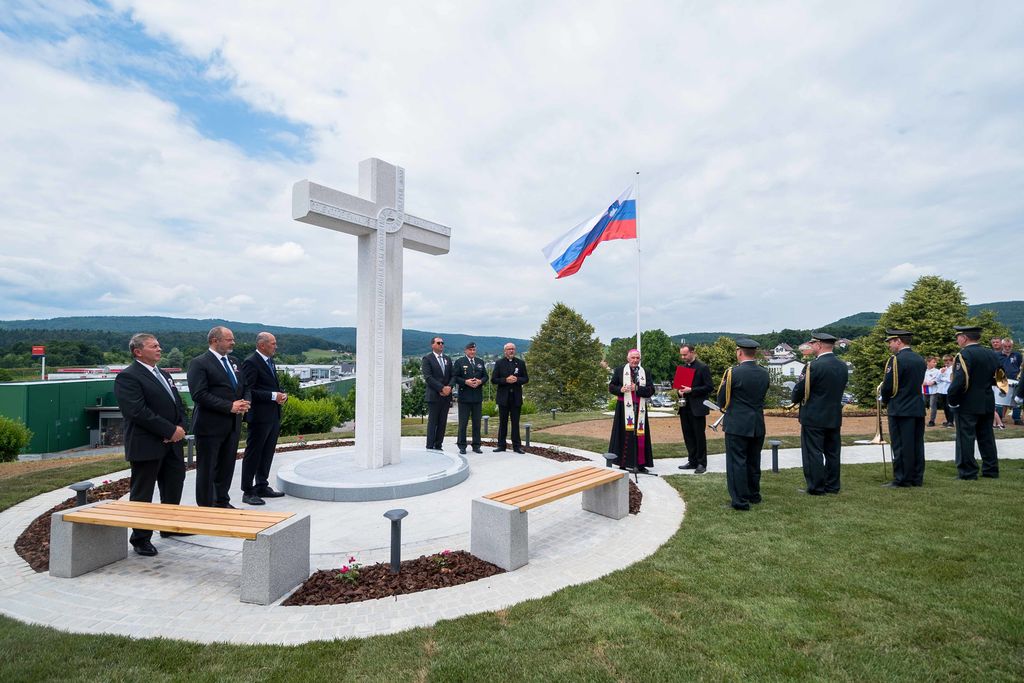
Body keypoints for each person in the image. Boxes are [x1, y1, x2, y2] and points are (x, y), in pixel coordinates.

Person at [113, 333, 188, 556]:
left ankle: (168, 526)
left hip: (172, 445)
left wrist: (180, 428)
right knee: (143, 492)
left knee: (173, 485)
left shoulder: (164, 374)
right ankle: (140, 538)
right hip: (146, 445)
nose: (159, 349)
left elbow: (178, 404)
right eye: (154, 346)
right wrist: (169, 431)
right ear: (138, 352)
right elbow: (137, 411)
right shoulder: (128, 377)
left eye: (159, 345)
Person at [187, 326, 251, 508]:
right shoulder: (199, 363)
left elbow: (245, 386)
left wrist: (246, 401)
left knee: (226, 467)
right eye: (229, 339)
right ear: (215, 341)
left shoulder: (234, 361)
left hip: (232, 425)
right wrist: (229, 406)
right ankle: (206, 508)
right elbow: (199, 394)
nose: (233, 343)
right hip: (210, 426)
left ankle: (222, 501)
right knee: (207, 470)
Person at [791, 332, 848, 495]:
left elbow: (800, 390)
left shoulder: (813, 366)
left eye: (813, 344)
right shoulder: (842, 366)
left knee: (813, 452)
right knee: (832, 453)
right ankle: (833, 485)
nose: (811, 346)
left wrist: (794, 398)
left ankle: (816, 487)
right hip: (833, 414)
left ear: (819, 345)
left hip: (814, 416)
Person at [716, 339, 769, 510]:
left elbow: (722, 400)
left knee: (737, 462)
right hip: (757, 423)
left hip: (737, 424)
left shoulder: (733, 373)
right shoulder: (764, 372)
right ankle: (754, 494)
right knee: (753, 461)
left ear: (739, 352)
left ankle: (740, 500)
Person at [239, 332, 288, 506]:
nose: (276, 346)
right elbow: (248, 390)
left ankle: (262, 485)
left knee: (267, 452)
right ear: (262, 345)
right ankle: (248, 490)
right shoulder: (251, 362)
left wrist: (281, 395)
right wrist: (273, 395)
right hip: (259, 417)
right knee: (254, 453)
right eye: (273, 343)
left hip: (273, 415)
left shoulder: (270, 361)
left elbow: (271, 385)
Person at [948, 325, 1000, 479]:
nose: (957, 340)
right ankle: (991, 469)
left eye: (958, 337)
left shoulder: (964, 354)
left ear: (964, 338)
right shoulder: (991, 354)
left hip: (968, 402)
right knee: (987, 437)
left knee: (965, 437)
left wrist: (952, 399)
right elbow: (1000, 378)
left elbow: (960, 380)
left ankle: (968, 471)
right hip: (987, 400)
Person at [879, 329, 926, 488]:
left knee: (900, 445)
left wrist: (885, 400)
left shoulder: (895, 360)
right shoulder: (919, 359)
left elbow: (888, 386)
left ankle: (902, 479)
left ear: (898, 341)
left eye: (891, 342)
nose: (889, 345)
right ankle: (916, 477)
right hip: (917, 406)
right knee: (916, 444)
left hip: (900, 407)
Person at [608, 349, 655, 473]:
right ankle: (622, 463)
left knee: (639, 435)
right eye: (633, 358)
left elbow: (651, 390)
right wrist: (621, 389)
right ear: (628, 358)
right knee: (624, 435)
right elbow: (611, 387)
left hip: (640, 408)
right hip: (623, 408)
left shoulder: (645, 372)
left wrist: (637, 388)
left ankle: (639, 464)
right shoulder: (619, 370)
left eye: (637, 358)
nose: (635, 360)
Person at [675, 344, 714, 474]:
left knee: (699, 436)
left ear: (692, 352)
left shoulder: (703, 367)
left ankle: (702, 463)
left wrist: (692, 390)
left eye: (685, 354)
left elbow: (709, 387)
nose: (683, 357)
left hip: (697, 408)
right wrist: (679, 392)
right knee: (688, 436)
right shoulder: (683, 368)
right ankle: (692, 461)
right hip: (684, 407)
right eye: (681, 355)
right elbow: (679, 387)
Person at [492, 342, 529, 453]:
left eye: (513, 349)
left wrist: (517, 379)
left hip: (516, 397)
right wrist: (505, 380)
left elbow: (526, 379)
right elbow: (494, 379)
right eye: (509, 349)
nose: (511, 351)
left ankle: (517, 446)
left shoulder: (520, 363)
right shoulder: (499, 363)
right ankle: (501, 445)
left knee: (515, 423)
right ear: (505, 351)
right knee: (503, 422)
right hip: (503, 398)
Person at [452, 341, 487, 455]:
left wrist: (480, 381)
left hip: (477, 397)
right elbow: (455, 377)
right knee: (463, 424)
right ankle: (462, 446)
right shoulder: (460, 362)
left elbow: (485, 376)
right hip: (464, 398)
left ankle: (476, 445)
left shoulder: (480, 362)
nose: (472, 352)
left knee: (477, 423)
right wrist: (465, 382)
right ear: (466, 351)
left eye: (474, 350)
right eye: (470, 350)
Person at [421, 336, 453, 450]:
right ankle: (430, 446)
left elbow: (453, 375)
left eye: (442, 343)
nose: (441, 345)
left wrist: (449, 387)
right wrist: (441, 388)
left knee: (442, 422)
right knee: (433, 422)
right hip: (434, 396)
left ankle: (439, 445)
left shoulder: (447, 359)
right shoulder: (427, 359)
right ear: (432, 345)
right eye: (438, 343)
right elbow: (428, 377)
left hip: (446, 396)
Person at [998, 338, 1022, 425]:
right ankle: (999, 418)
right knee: (1000, 400)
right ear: (1002, 346)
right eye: (1005, 346)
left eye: (1009, 346)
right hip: (1001, 379)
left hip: (1015, 380)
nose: (1007, 348)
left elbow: (1019, 365)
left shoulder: (1017, 355)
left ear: (1012, 346)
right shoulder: (997, 355)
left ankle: (1017, 419)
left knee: (1016, 400)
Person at [936, 354, 954, 427]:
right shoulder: (941, 369)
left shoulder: (953, 369)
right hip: (942, 391)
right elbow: (937, 380)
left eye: (947, 360)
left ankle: (951, 421)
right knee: (945, 407)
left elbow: (951, 380)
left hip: (949, 390)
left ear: (951, 361)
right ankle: (948, 420)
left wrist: (943, 379)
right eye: (944, 360)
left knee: (949, 406)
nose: (946, 362)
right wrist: (941, 373)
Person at [922, 356, 941, 426]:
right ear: (928, 362)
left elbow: (939, 379)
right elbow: (919, 377)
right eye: (933, 362)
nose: (935, 363)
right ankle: (921, 419)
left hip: (933, 391)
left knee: (932, 405)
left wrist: (934, 382)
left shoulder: (937, 371)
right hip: (924, 390)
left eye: (936, 362)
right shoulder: (923, 370)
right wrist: (922, 382)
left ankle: (932, 421)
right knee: (922, 405)